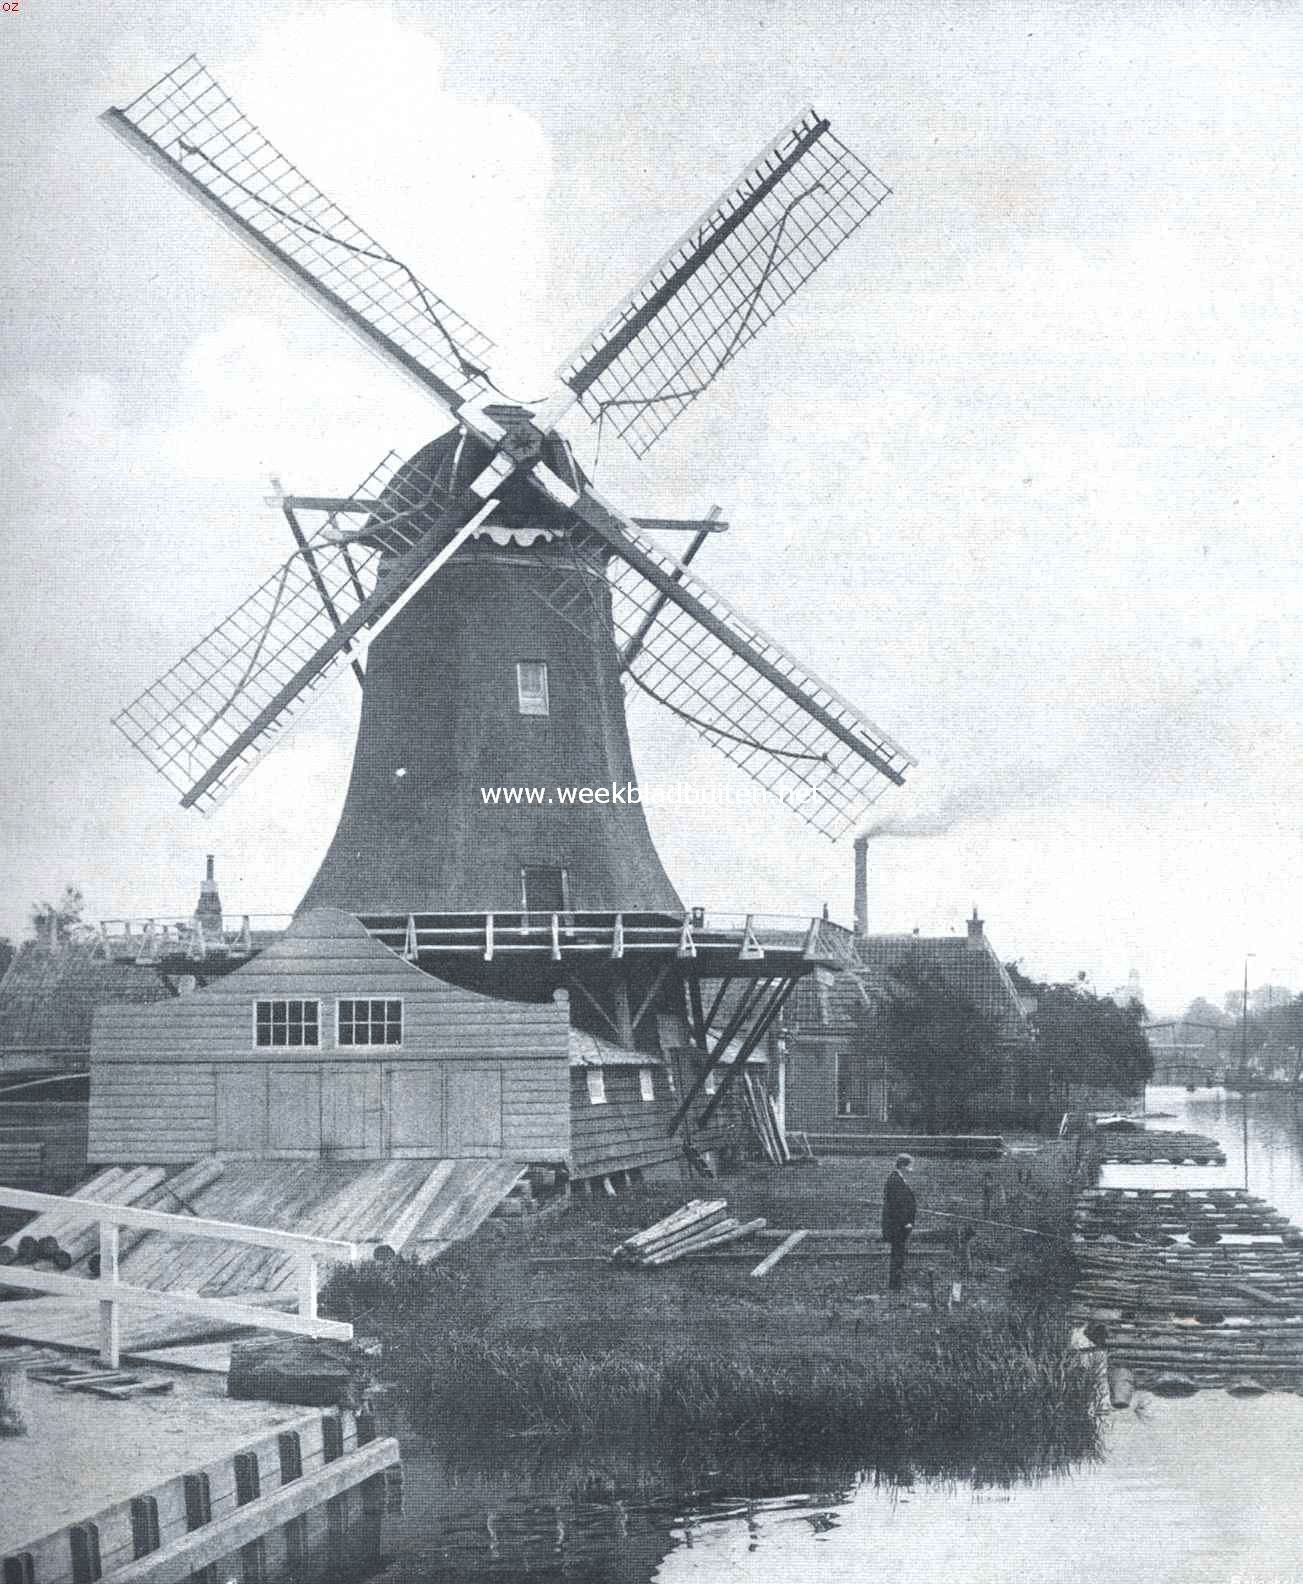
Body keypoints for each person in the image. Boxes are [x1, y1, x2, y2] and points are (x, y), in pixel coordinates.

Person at [881, 1152, 916, 1292]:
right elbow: (897, 1205)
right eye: (910, 1166)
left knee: (899, 1255)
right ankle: (895, 1286)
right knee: (898, 1255)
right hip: (898, 1226)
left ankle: (896, 1284)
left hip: (899, 1225)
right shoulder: (895, 1180)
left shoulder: (897, 1178)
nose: (911, 1169)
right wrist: (905, 1222)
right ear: (903, 1165)